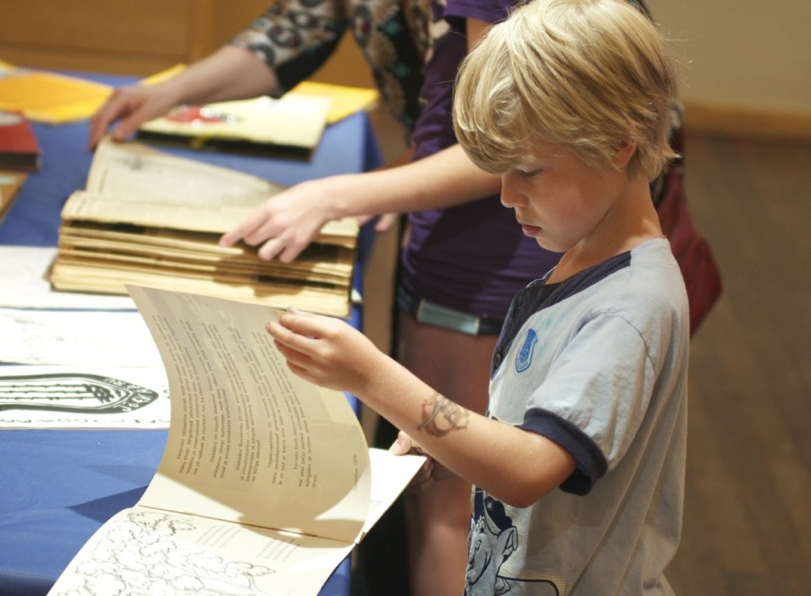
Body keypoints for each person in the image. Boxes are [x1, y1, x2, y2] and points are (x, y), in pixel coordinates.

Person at [89, 2, 561, 594]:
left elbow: (506, 136)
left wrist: (349, 196)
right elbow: (302, 25)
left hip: (487, 264)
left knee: (453, 509)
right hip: (461, 253)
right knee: (441, 497)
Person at [265, 0, 689, 593]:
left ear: (619, 144)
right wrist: (457, 436)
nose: (507, 195)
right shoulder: (581, 257)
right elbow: (532, 426)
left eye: (529, 171)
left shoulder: (629, 307)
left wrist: (372, 379)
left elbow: (530, 469)